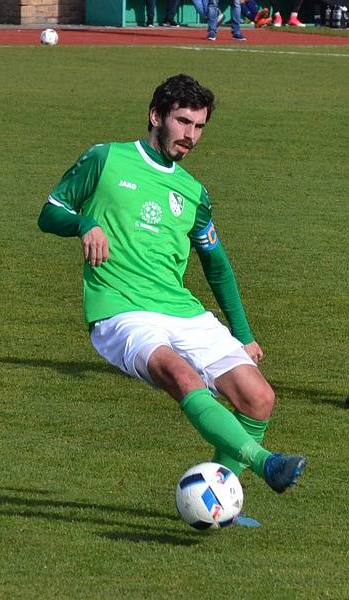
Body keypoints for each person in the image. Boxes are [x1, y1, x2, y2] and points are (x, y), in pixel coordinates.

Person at [37, 74, 306, 528]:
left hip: (180, 308)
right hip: (119, 309)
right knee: (180, 374)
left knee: (258, 398)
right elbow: (50, 212)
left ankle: (222, 497)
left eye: (199, 126)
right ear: (156, 116)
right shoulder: (106, 159)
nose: (191, 135)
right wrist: (84, 223)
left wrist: (244, 334)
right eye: (183, 122)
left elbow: (216, 264)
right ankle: (265, 465)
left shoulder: (194, 193)